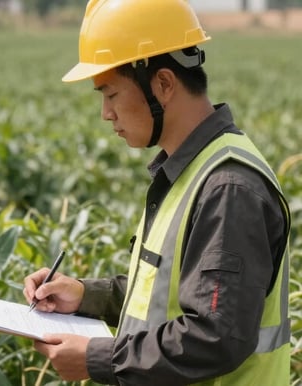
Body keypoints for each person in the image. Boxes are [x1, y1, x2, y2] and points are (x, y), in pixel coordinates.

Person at [23, 1, 291, 385]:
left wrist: (100, 359)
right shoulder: (191, 170)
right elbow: (166, 299)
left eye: (111, 94)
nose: (106, 113)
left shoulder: (228, 187)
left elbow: (216, 337)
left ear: (163, 84)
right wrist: (85, 295)